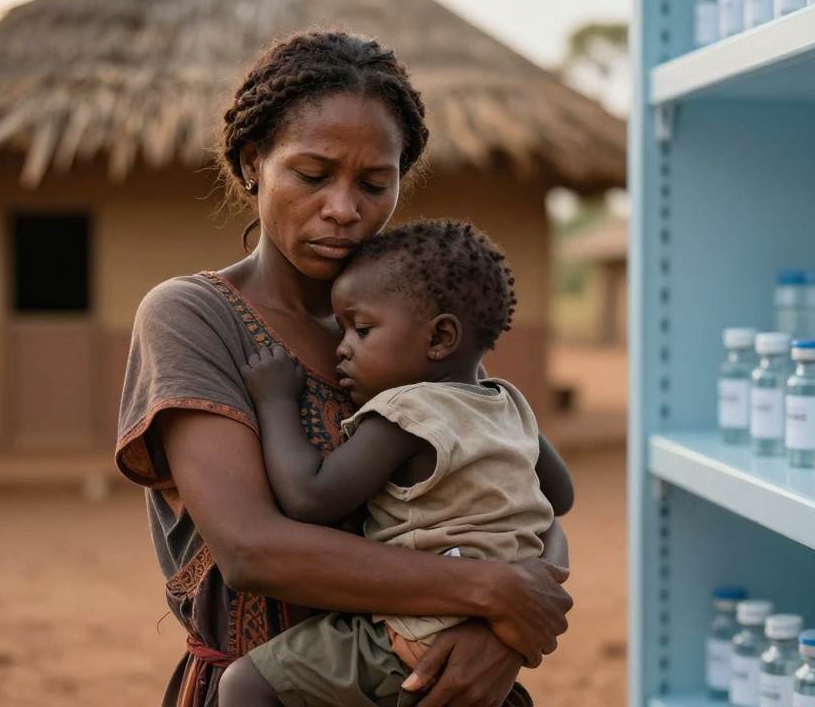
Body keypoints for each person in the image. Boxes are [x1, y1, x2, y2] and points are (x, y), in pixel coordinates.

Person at [115, 30, 573, 707]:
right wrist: (492, 592)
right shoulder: (193, 318)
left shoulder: (413, 328)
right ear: (252, 163)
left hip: (439, 686)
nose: (343, 209)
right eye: (312, 174)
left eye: (374, 183)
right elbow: (252, 549)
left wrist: (502, 635)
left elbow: (512, 492)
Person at [219, 218, 571, 707]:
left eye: (361, 329)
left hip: (413, 638)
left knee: (244, 685)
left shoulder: (405, 414)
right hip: (490, 628)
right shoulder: (506, 402)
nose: (342, 347)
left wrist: (276, 400)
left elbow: (309, 497)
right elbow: (561, 496)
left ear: (440, 338)